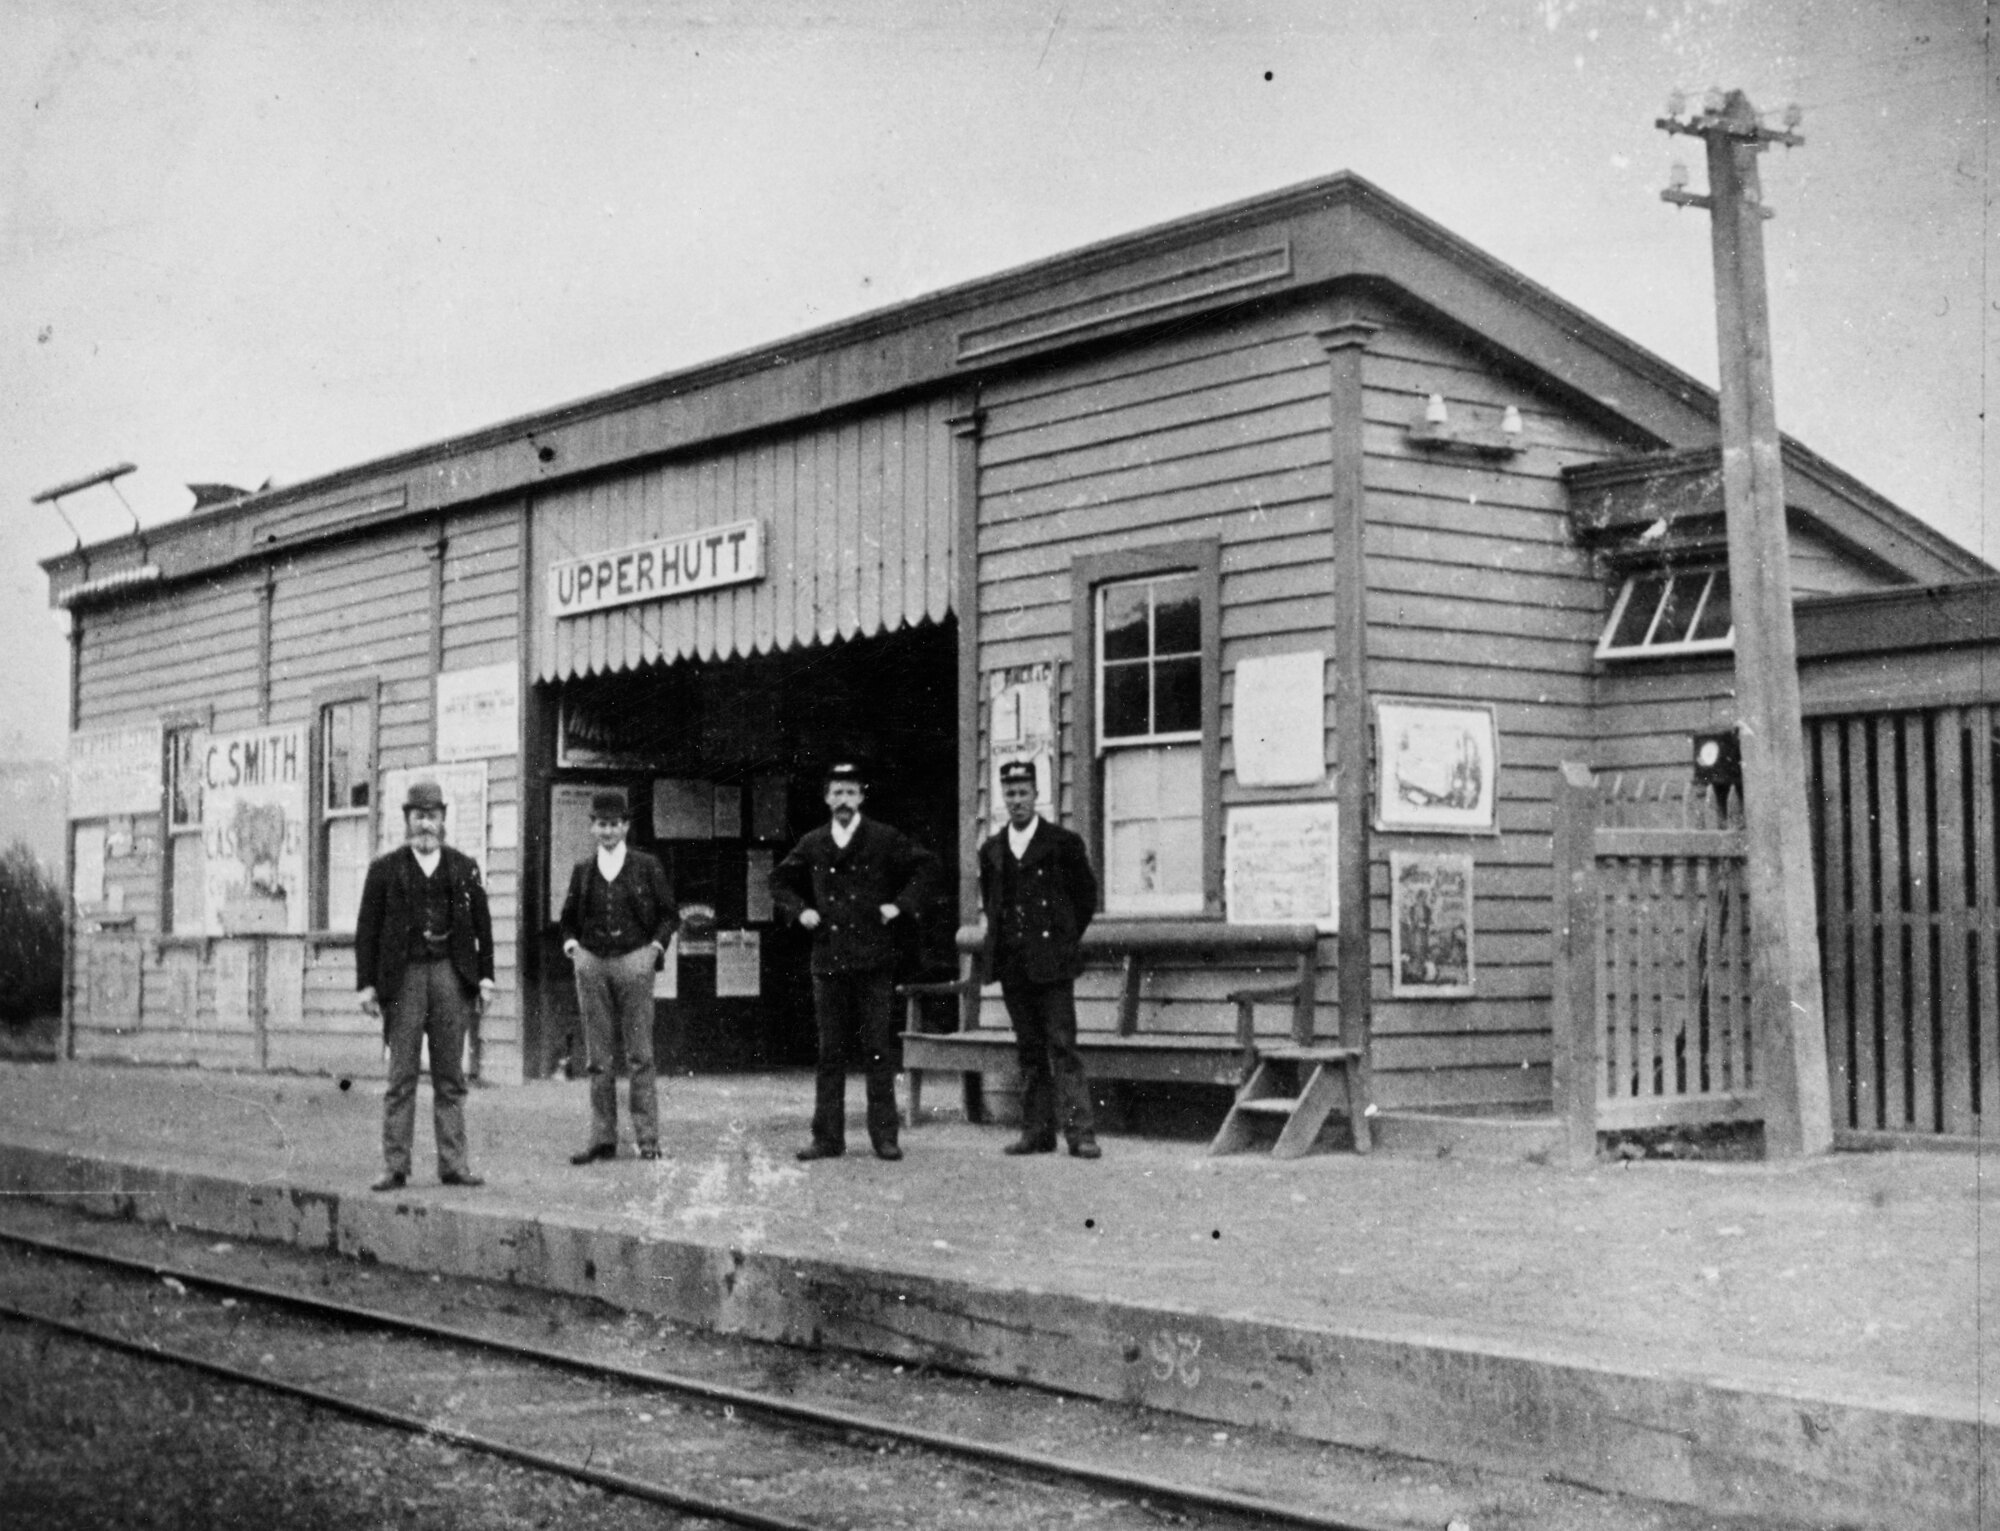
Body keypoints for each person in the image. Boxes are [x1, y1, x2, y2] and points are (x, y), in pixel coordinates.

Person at [772, 761, 938, 1162]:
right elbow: (778, 881)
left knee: (877, 1048)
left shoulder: (884, 838)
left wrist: (900, 906)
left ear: (861, 797)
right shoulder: (813, 842)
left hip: (873, 958)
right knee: (830, 1052)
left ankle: (885, 1137)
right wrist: (799, 911)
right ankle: (827, 1138)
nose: (844, 800)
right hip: (829, 958)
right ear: (827, 799)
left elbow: (927, 866)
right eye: (837, 792)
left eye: (850, 792)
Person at [355, 779, 494, 1191]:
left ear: (443, 819)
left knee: (451, 1075)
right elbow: (367, 930)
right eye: (419, 816)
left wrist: (486, 977)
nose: (426, 824)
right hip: (404, 980)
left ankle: (454, 1165)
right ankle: (395, 1166)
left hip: (451, 975)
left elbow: (483, 927)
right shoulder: (385, 869)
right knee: (401, 1077)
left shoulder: (464, 867)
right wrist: (366, 985)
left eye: (433, 816)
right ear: (407, 819)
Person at [979, 759, 1102, 1158]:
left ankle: (1080, 1134)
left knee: (1062, 1046)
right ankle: (1037, 1132)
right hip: (1014, 964)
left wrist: (1063, 941)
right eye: (1010, 794)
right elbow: (993, 904)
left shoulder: (1062, 844)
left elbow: (1085, 898)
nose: (1017, 800)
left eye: (1023, 793)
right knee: (1029, 1049)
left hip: (1053, 963)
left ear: (1036, 795)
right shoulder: (992, 850)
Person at [558, 787, 678, 1164]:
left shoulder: (646, 866)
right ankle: (602, 1138)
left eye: (614, 824)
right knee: (599, 1057)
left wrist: (653, 950)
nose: (607, 831)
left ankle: (647, 1138)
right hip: (593, 963)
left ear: (625, 826)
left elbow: (668, 914)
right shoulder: (583, 870)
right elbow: (567, 919)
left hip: (634, 962)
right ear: (592, 827)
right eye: (601, 824)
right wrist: (574, 949)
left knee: (640, 1054)